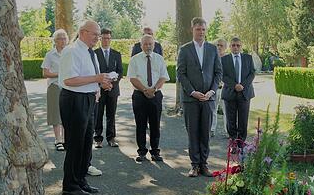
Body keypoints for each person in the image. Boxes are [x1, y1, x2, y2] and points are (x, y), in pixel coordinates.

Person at [58, 20, 112, 195]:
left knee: (86, 142)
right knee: (75, 143)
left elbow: (89, 77)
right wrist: (96, 78)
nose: (98, 38)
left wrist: (100, 85)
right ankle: (70, 185)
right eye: (94, 34)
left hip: (89, 99)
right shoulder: (71, 51)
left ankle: (81, 180)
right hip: (74, 100)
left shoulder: (91, 53)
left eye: (98, 35)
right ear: (82, 32)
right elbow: (69, 80)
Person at [177, 17, 222, 177]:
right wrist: (192, 92)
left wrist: (212, 91)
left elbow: (218, 73)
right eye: (198, 29)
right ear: (192, 30)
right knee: (193, 132)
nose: (201, 32)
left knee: (205, 132)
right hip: (191, 99)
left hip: (208, 98)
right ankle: (194, 165)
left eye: (203, 29)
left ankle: (204, 164)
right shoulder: (185, 49)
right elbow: (180, 74)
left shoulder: (212, 49)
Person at [127, 34, 169, 163]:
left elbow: (163, 77)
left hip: (155, 95)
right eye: (145, 44)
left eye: (150, 44)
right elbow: (132, 78)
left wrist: (154, 89)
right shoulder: (134, 60)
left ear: (154, 45)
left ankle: (155, 152)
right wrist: (145, 90)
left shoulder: (159, 59)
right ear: (141, 46)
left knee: (155, 124)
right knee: (140, 124)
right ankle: (141, 152)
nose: (148, 46)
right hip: (139, 95)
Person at [221, 37, 255, 144]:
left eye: (238, 45)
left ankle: (241, 143)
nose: (236, 47)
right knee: (231, 120)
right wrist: (235, 85)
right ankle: (233, 142)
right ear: (230, 46)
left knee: (243, 119)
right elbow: (222, 75)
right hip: (230, 93)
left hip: (245, 93)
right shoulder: (224, 59)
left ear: (241, 46)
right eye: (233, 45)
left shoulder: (248, 58)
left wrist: (242, 85)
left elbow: (252, 73)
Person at [94, 28, 122, 148]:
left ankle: (111, 138)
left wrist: (111, 84)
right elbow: (93, 71)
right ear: (100, 39)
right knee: (98, 114)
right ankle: (98, 139)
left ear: (111, 39)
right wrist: (101, 84)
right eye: (104, 38)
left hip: (112, 90)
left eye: (108, 38)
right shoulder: (94, 53)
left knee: (111, 115)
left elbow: (120, 72)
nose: (106, 40)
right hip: (98, 90)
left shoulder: (116, 54)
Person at [41, 29, 68, 151]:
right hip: (55, 87)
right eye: (60, 38)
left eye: (64, 38)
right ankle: (58, 140)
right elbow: (45, 73)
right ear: (55, 41)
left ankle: (66, 139)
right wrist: (59, 74)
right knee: (56, 114)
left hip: (68, 87)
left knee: (67, 114)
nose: (62, 40)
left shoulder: (70, 53)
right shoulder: (50, 55)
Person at [210, 38, 229, 138]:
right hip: (214, 88)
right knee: (213, 110)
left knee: (227, 111)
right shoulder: (211, 58)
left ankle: (227, 131)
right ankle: (212, 129)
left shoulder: (229, 59)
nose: (219, 47)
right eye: (217, 45)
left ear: (225, 47)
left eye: (221, 45)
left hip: (226, 88)